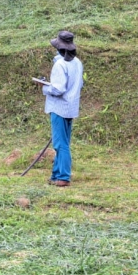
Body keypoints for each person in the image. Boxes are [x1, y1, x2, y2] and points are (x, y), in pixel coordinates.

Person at [34, 31, 84, 187]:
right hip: (71, 107)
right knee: (63, 142)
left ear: (59, 48)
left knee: (60, 144)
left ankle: (63, 176)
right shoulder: (77, 63)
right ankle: (56, 175)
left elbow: (58, 89)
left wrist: (44, 88)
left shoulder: (60, 65)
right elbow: (79, 84)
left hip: (59, 107)